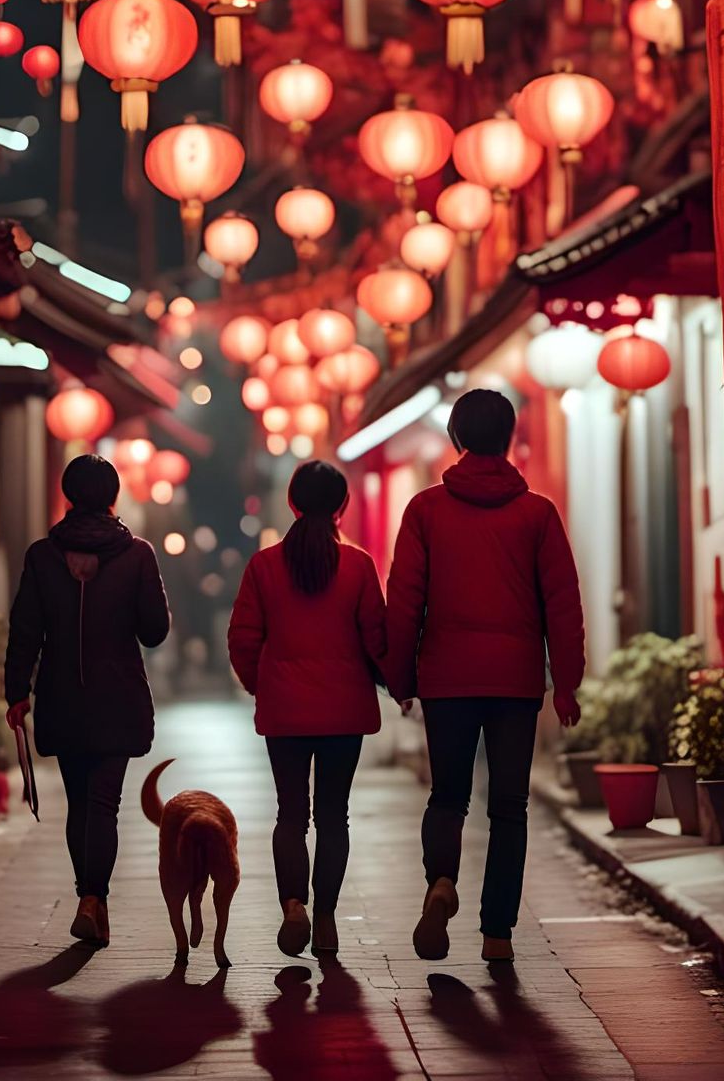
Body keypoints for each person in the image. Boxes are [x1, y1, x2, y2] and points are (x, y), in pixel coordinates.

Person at [384, 387, 585, 965]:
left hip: (446, 678)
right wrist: (566, 681)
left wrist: (400, 675)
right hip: (515, 682)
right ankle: (497, 933)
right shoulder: (537, 514)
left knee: (447, 795)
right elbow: (562, 603)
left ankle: (442, 881)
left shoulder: (425, 510)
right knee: (509, 807)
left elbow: (404, 600)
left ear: (457, 438)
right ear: (510, 437)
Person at [4, 451, 171, 947]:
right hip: (118, 698)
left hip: (61, 696)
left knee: (80, 803)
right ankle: (93, 899)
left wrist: (17, 691)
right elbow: (156, 631)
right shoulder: (137, 554)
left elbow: (25, 629)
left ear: (68, 496)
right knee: (104, 802)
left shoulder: (41, 555)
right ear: (114, 498)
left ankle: (89, 897)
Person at [228, 460, 389, 958]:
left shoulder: (265, 566)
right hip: (344, 713)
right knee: (334, 817)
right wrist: (396, 683)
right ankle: (324, 919)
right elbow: (378, 640)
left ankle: (293, 904)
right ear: (342, 506)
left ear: (293, 503)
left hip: (287, 713)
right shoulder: (359, 566)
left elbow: (242, 640)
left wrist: (265, 685)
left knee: (291, 815)